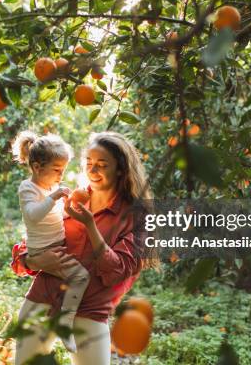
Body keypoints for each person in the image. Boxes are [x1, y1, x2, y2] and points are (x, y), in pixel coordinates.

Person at [12, 131, 152, 365]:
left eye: (101, 164)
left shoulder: (135, 217)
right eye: (89, 163)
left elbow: (117, 270)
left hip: (89, 309)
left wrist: (90, 226)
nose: (92, 170)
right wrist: (32, 261)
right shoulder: (75, 197)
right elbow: (36, 240)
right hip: (43, 298)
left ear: (121, 169)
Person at [12, 131, 90, 352]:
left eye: (63, 171)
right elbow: (33, 215)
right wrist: (54, 197)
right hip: (42, 249)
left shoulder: (50, 189)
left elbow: (55, 218)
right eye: (57, 170)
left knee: (74, 279)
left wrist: (68, 209)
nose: (60, 176)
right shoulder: (28, 188)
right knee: (81, 277)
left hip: (54, 246)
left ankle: (61, 318)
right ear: (37, 167)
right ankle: (65, 322)